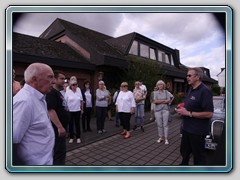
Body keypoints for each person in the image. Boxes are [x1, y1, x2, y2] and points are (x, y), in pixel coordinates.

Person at [13, 63, 55, 165]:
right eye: (50, 77)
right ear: (34, 79)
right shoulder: (24, 102)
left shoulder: (40, 98)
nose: (53, 82)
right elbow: (11, 141)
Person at [176, 67, 214, 165]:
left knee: (199, 157)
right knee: (184, 152)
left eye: (189, 75)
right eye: (187, 75)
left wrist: (188, 113)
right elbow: (190, 104)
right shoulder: (191, 89)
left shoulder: (205, 91)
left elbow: (209, 113)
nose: (187, 77)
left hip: (197, 132)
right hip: (186, 129)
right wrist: (182, 109)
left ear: (197, 77)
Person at [46, 70, 70, 165]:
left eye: (64, 79)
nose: (64, 81)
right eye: (61, 78)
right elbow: (50, 110)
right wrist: (59, 126)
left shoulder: (58, 92)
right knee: (58, 153)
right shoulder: (51, 93)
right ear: (54, 79)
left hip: (62, 128)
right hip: (57, 130)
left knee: (61, 152)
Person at [153, 80, 173, 145]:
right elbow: (155, 101)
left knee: (165, 125)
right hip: (157, 110)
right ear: (157, 86)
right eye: (159, 85)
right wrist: (164, 101)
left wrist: (168, 101)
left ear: (163, 85)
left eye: (161, 84)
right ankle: (161, 137)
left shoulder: (166, 92)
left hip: (165, 110)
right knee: (159, 125)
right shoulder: (155, 93)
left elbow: (171, 98)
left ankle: (166, 138)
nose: (160, 86)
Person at [65, 78, 84, 144]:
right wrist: (66, 110)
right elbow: (65, 102)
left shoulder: (79, 91)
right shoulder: (68, 92)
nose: (74, 86)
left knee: (77, 124)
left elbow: (81, 101)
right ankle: (71, 137)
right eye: (73, 85)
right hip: (70, 111)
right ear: (71, 85)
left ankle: (78, 137)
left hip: (77, 110)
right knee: (71, 124)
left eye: (75, 85)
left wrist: (82, 109)